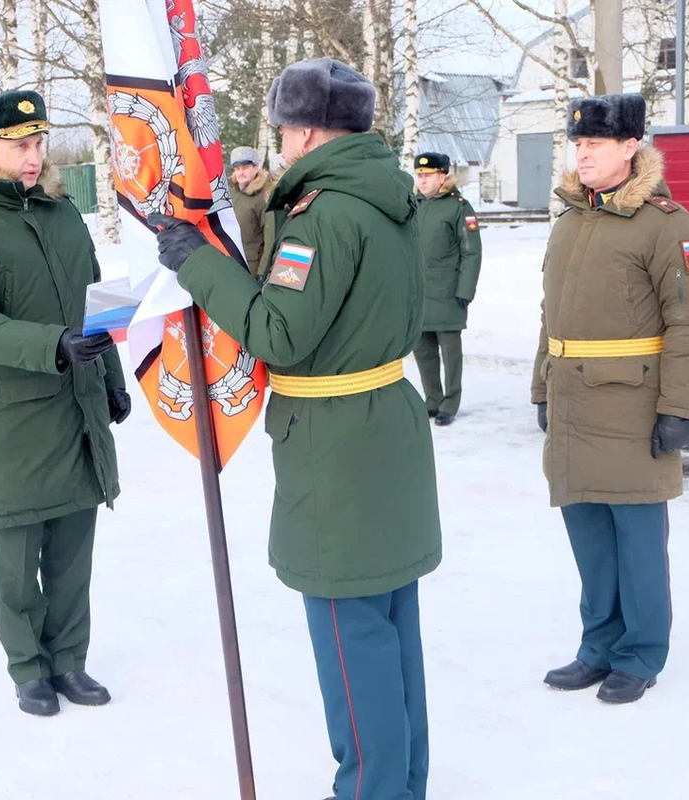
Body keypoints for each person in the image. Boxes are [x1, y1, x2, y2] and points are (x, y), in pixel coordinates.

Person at [151, 58, 441, 800]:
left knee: (350, 636)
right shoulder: (385, 195)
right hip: (385, 426)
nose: (277, 142)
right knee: (391, 626)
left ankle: (369, 791)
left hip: (337, 441)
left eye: (282, 128)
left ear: (306, 130)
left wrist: (198, 267)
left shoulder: (325, 214)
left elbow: (280, 332)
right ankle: (400, 784)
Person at [0, 89, 129, 717]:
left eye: (39, 142)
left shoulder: (62, 211)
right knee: (16, 556)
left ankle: (70, 660)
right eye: (20, 145)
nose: (33, 156)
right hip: (10, 416)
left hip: (76, 402)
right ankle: (28, 667)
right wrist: (54, 346)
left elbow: (98, 299)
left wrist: (113, 376)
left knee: (73, 547)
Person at [531, 93, 689, 704]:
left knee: (636, 539)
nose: (581, 155)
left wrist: (678, 409)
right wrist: (541, 388)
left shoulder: (668, 224)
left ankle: (640, 653)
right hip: (574, 404)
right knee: (588, 535)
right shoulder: (570, 220)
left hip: (633, 407)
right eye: (577, 145)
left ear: (630, 147)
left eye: (595, 145)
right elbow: (549, 313)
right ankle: (598, 647)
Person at [411, 151, 482, 427]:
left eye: (428, 176)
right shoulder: (414, 204)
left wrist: (466, 289)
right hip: (419, 293)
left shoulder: (458, 207)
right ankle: (432, 399)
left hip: (448, 291)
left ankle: (450, 402)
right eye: (419, 175)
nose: (423, 181)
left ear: (443, 176)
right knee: (423, 351)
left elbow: (472, 252)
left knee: (450, 353)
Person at [227, 145, 274, 279]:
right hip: (230, 261)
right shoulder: (231, 194)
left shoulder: (264, 197)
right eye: (237, 168)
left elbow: (270, 238)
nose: (241, 172)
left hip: (251, 268)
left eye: (245, 167)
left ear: (256, 168)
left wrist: (262, 272)